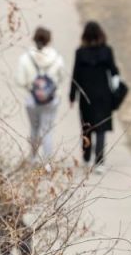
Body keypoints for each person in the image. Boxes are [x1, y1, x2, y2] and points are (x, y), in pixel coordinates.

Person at [69, 21, 120, 172]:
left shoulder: (80, 52)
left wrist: (72, 96)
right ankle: (99, 161)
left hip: (86, 96)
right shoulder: (107, 51)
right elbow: (114, 71)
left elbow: (75, 76)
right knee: (101, 128)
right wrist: (116, 92)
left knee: (87, 127)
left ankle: (86, 157)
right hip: (104, 95)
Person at [14, 26, 65, 165]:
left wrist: (31, 86)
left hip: (32, 100)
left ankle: (33, 158)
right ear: (49, 40)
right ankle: (47, 163)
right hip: (51, 100)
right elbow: (61, 77)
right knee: (47, 130)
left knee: (34, 128)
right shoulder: (57, 58)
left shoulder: (25, 58)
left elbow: (20, 80)